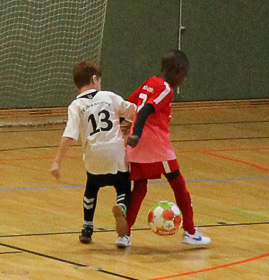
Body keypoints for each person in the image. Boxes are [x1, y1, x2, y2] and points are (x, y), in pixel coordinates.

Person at [127, 49, 211, 248]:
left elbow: (129, 103)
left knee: (139, 187)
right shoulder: (166, 89)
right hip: (156, 146)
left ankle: (124, 234)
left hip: (137, 147)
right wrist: (136, 132)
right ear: (178, 69)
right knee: (179, 185)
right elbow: (146, 109)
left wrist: (125, 126)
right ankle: (190, 231)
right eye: (185, 74)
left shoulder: (150, 82)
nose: (184, 79)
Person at [50, 60, 133, 249]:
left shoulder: (75, 105)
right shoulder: (109, 96)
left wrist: (57, 162)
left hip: (94, 155)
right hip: (115, 152)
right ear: (94, 79)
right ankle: (121, 205)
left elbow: (69, 135)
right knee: (123, 186)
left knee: (92, 187)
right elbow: (133, 111)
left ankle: (87, 228)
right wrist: (129, 123)